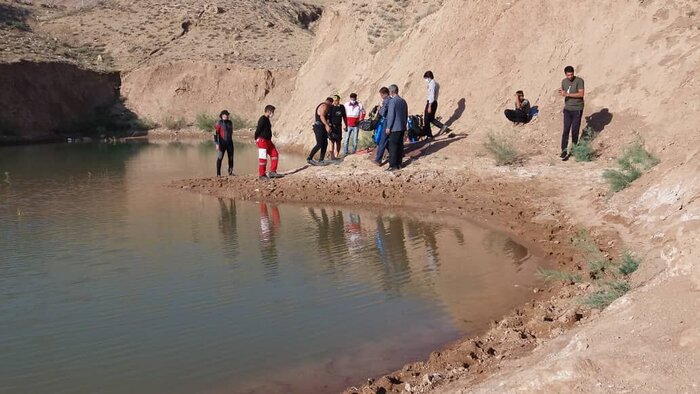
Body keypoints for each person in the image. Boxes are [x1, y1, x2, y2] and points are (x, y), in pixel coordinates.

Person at [559, 65, 585, 159]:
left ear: (574, 73)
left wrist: (567, 94)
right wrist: (563, 94)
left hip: (577, 108)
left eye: (571, 74)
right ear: (565, 74)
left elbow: (581, 94)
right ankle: (564, 151)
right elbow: (563, 92)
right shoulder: (564, 81)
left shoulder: (579, 81)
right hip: (567, 109)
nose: (570, 76)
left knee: (574, 131)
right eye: (568, 75)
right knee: (565, 130)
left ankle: (574, 149)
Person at [385, 84, 408, 171]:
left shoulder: (392, 102)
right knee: (400, 145)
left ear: (391, 92)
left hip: (394, 127)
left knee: (393, 146)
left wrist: (388, 127)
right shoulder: (403, 101)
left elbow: (391, 115)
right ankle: (399, 164)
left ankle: (393, 165)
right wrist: (404, 124)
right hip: (402, 126)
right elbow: (406, 114)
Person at [255, 105, 281, 180]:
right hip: (262, 141)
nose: (273, 113)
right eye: (272, 112)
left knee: (274, 154)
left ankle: (272, 172)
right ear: (269, 111)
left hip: (268, 141)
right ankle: (262, 175)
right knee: (263, 158)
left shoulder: (267, 119)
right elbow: (258, 129)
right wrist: (256, 139)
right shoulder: (262, 119)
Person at [307, 97, 333, 163]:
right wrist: (327, 125)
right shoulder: (324, 106)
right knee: (319, 143)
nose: (331, 105)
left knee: (325, 143)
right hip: (319, 127)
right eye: (331, 103)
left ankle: (321, 159)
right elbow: (322, 116)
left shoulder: (325, 106)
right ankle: (309, 158)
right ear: (329, 102)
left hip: (322, 126)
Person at [423, 71, 448, 138]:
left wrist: (429, 106)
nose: (425, 80)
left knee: (426, 119)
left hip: (431, 102)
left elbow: (431, 95)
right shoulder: (435, 83)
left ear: (428, 77)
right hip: (434, 102)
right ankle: (443, 127)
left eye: (426, 78)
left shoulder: (432, 84)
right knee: (431, 118)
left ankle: (429, 135)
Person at [372, 87, 391, 165]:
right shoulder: (391, 100)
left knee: (382, 140)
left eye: (381, 94)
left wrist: (379, 109)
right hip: (390, 121)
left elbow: (383, 113)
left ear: (384, 94)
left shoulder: (386, 101)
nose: (381, 96)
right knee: (386, 140)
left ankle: (378, 159)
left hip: (386, 121)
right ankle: (396, 153)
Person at [214, 109, 234, 177]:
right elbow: (215, 134)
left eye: (227, 115)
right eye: (225, 115)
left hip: (230, 143)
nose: (227, 116)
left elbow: (231, 132)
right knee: (220, 158)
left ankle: (230, 172)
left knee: (231, 158)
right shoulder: (219, 123)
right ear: (222, 116)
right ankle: (218, 174)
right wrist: (216, 143)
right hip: (222, 144)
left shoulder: (230, 122)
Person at [328, 95, 347, 160]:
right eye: (334, 101)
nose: (335, 102)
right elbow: (327, 118)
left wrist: (346, 125)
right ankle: (332, 156)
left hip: (339, 126)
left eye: (336, 100)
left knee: (338, 142)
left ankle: (336, 155)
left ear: (339, 100)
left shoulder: (342, 107)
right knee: (331, 141)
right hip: (332, 126)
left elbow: (344, 117)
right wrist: (328, 126)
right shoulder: (330, 107)